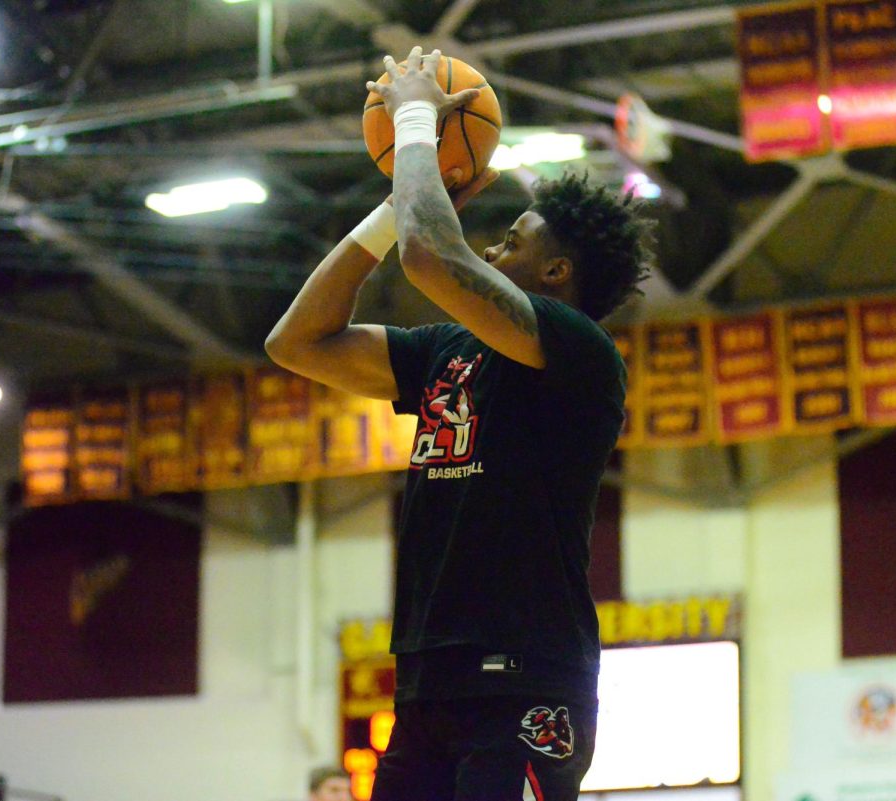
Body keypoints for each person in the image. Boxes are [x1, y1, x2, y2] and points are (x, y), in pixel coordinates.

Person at [266, 45, 653, 801]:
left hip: (527, 683)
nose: (489, 243)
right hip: (426, 684)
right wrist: (387, 214)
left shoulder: (581, 354)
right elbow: (296, 342)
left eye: (512, 241)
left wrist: (416, 122)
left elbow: (432, 256)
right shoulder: (447, 351)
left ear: (554, 274)